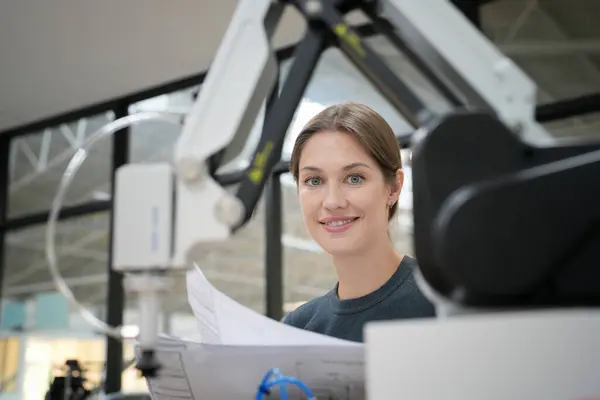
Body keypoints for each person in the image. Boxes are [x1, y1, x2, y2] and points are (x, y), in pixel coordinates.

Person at [282, 102, 435, 342]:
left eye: (354, 178)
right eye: (314, 181)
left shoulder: (444, 306)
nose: (332, 201)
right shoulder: (297, 329)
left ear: (394, 188)